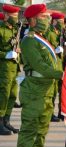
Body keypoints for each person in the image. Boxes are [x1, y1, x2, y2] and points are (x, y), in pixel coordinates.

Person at [16, 4, 63, 147]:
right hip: (34, 91)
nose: (48, 19)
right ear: (33, 20)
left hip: (47, 90)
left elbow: (54, 63)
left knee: (42, 129)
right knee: (30, 129)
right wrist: (62, 75)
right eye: (44, 17)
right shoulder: (29, 41)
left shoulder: (44, 37)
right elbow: (40, 66)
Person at [0, 4, 20, 135]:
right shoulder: (1, 30)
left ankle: (6, 121)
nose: (16, 18)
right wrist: (5, 54)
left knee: (12, 95)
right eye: (13, 16)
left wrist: (18, 51)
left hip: (14, 67)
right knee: (3, 95)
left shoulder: (14, 30)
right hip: (4, 68)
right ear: (6, 15)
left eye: (16, 16)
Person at [44, 12, 66, 122]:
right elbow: (44, 48)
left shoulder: (61, 33)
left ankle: (61, 112)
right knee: (52, 91)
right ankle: (50, 113)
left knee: (62, 91)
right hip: (53, 65)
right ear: (54, 21)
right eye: (60, 22)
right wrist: (54, 50)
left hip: (61, 65)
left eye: (63, 22)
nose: (62, 24)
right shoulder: (48, 32)